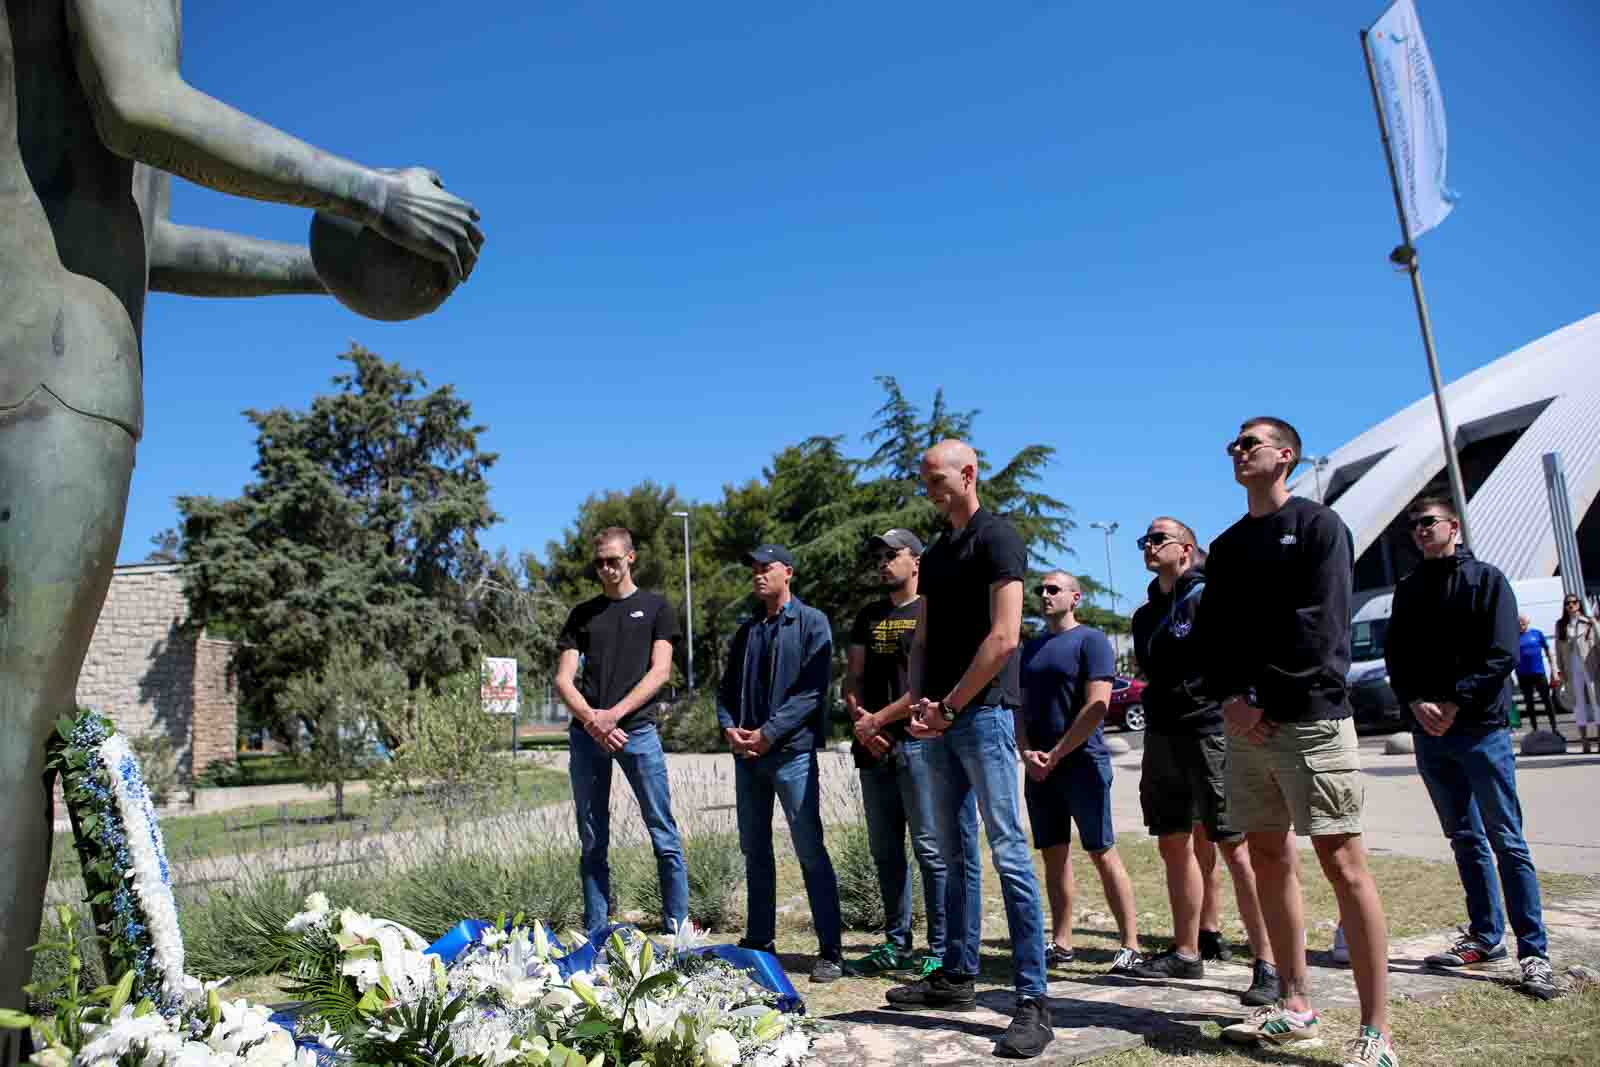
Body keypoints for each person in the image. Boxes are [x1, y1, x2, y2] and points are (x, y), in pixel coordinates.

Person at [0, 2, 482, 1044]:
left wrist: (321, 268)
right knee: (12, 724)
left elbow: (149, 241)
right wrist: (370, 192)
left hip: (38, 335)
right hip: (52, 365)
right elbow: (141, 105)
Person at [1202, 417, 1396, 1067]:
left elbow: (1324, 628)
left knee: (1343, 863)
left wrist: (1261, 699)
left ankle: (1377, 1033)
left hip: (1309, 717)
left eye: (1249, 442)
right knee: (1268, 857)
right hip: (1246, 725)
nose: (1238, 450)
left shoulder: (1318, 527)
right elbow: (1216, 635)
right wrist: (1232, 696)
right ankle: (1295, 1003)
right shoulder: (1227, 547)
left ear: (1285, 455)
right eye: (1233, 443)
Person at [883, 440, 1054, 1061]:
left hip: (983, 718)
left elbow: (1005, 637)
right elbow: (923, 637)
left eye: (936, 476)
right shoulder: (938, 551)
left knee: (1008, 852)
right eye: (924, 477)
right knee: (952, 855)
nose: (928, 484)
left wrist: (951, 705)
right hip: (940, 721)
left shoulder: (997, 538)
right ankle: (957, 976)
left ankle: (1032, 1000)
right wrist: (921, 706)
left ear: (969, 474)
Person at [1383, 498, 1558, 1001]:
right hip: (1429, 732)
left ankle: (1534, 953)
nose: (1419, 532)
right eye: (1412, 526)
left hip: (1480, 727)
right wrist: (1416, 702)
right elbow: (1399, 656)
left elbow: (1500, 652)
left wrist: (1455, 702)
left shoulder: (1487, 579)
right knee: (1464, 836)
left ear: (1453, 528)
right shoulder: (1409, 588)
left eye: (1428, 523)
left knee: (1507, 838)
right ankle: (1485, 937)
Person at [1126, 518, 1279, 1007]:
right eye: (1144, 541)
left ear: (1186, 549)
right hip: (1163, 736)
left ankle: (1268, 961)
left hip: (1211, 732)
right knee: (1173, 843)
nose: (1148, 546)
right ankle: (1186, 949)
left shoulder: (1211, 597)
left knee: (1236, 847)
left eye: (1158, 539)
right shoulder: (1145, 615)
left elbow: (1242, 655)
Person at [843, 530, 982, 980]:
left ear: (916, 561)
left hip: (920, 745)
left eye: (893, 555)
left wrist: (878, 720)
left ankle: (938, 949)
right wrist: (863, 724)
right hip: (873, 749)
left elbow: (925, 684)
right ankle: (895, 942)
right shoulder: (868, 615)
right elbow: (853, 679)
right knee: (885, 851)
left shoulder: (932, 608)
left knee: (930, 849)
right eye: (878, 557)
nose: (883, 563)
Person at [716, 545, 845, 983]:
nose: (757, 575)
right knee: (755, 850)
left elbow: (812, 692)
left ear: (787, 572)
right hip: (748, 758)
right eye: (752, 569)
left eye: (765, 568)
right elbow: (726, 689)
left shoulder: (812, 623)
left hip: (790, 754)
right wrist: (730, 728)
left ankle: (831, 951)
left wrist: (769, 733)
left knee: (809, 848)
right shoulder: (747, 630)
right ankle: (759, 940)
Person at [555, 528, 689, 943]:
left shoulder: (656, 608)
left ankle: (678, 928)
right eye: (599, 562)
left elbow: (661, 672)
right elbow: (563, 679)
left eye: (613, 560)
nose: (606, 568)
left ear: (631, 558)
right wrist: (594, 722)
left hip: (637, 732)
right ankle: (596, 931)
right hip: (588, 736)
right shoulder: (582, 614)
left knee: (662, 830)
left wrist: (614, 715)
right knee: (593, 838)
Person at [1017, 572, 1144, 976]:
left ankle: (1130, 945)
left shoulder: (1091, 641)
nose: (1045, 594)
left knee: (1101, 851)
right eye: (1041, 588)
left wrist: (1056, 753)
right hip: (1040, 769)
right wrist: (1027, 752)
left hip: (1082, 764)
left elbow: (1098, 706)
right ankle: (1062, 941)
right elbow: (1016, 707)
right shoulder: (1030, 648)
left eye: (1053, 588)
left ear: (1076, 598)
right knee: (1054, 856)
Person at [1555, 594, 1600, 753]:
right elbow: (1558, 650)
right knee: (1578, 704)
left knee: (1596, 702)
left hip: (1590, 666)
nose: (1571, 605)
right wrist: (1560, 671)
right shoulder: (1561, 625)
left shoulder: (1588, 622)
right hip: (1572, 669)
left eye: (1574, 602)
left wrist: (1594, 623)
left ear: (1579, 604)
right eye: (1568, 603)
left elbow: (1597, 642)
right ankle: (1585, 742)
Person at [1516, 615, 1562, 736]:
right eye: (1518, 622)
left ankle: (1554, 728)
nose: (1521, 624)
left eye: (1523, 622)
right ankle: (1535, 729)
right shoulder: (1514, 637)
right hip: (1523, 675)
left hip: (1539, 673)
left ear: (1528, 622)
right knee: (1529, 703)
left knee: (1547, 701)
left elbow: (1548, 652)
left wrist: (1554, 669)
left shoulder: (1537, 633)